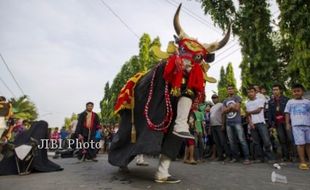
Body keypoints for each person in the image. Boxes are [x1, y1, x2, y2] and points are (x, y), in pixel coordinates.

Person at [108, 4, 231, 183]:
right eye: (184, 52)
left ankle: (162, 171)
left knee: (178, 131)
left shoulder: (196, 76)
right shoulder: (165, 68)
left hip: (181, 99)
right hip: (150, 105)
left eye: (196, 57)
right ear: (178, 49)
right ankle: (123, 159)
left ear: (202, 59)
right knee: (133, 131)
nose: (189, 61)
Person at [246, 87, 275, 163]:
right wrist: (251, 123)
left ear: (255, 92)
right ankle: (260, 158)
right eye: (248, 92)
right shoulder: (247, 103)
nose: (250, 93)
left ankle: (270, 158)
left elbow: (259, 110)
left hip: (261, 123)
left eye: (251, 91)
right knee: (256, 142)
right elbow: (248, 115)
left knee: (266, 141)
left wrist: (249, 112)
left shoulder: (260, 100)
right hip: (253, 125)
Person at [285, 84, 310, 170]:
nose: (296, 93)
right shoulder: (290, 102)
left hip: (307, 125)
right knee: (300, 144)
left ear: (302, 92)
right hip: (296, 126)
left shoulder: (307, 102)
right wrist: (287, 123)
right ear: (292, 92)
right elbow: (287, 113)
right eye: (294, 91)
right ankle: (303, 162)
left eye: (298, 91)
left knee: (308, 144)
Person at [223, 85, 250, 164]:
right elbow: (223, 112)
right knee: (231, 141)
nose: (230, 90)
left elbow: (237, 109)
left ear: (234, 90)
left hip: (237, 122)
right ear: (227, 91)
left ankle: (246, 158)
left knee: (242, 140)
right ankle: (235, 158)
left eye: (231, 89)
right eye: (228, 89)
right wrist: (231, 107)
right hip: (228, 123)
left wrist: (229, 108)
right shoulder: (225, 100)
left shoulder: (237, 98)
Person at [268, 84, 292, 161]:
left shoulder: (286, 99)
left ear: (280, 90)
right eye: (274, 90)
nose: (275, 91)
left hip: (286, 122)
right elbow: (270, 114)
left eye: (276, 89)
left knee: (290, 138)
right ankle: (285, 156)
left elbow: (289, 112)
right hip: (277, 123)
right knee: (282, 139)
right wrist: (271, 124)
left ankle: (292, 156)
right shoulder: (271, 101)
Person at [210, 94, 230, 161]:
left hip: (219, 125)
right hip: (213, 126)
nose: (214, 99)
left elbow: (224, 114)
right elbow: (211, 118)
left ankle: (228, 155)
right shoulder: (212, 107)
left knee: (223, 141)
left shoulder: (221, 105)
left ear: (218, 98)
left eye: (215, 97)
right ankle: (220, 156)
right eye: (212, 98)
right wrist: (210, 127)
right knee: (217, 142)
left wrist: (223, 124)